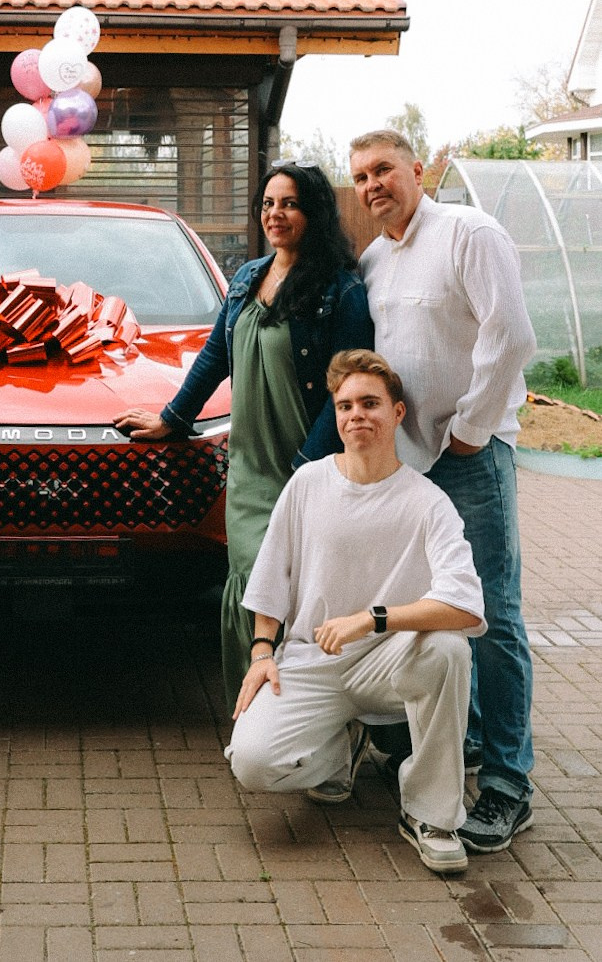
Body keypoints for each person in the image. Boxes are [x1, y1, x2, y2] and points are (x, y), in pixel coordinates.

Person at [114, 163, 373, 701]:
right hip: (249, 462)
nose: (275, 215)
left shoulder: (340, 292)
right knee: (253, 578)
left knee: (301, 590)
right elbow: (215, 356)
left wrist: (310, 467)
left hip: (305, 459)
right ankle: (255, 709)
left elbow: (344, 389)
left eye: (289, 204)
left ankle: (310, 720)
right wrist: (173, 417)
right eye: (268, 204)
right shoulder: (248, 277)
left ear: (314, 213)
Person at [347, 128, 538, 854]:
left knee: (493, 613)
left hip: (472, 455)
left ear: (417, 169)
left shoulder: (469, 233)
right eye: (361, 175)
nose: (373, 185)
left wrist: (472, 426)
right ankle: (472, 743)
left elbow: (513, 335)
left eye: (384, 169)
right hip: (414, 463)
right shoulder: (375, 258)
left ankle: (509, 785)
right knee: (443, 611)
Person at [226, 349, 485, 876]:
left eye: (370, 403)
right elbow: (271, 579)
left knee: (449, 649)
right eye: (345, 406)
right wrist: (260, 651)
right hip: (311, 661)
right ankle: (339, 744)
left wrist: (374, 618)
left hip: (389, 661)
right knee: (253, 764)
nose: (355, 415)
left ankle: (432, 816)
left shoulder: (428, 501)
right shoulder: (308, 485)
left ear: (397, 413)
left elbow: (464, 604)